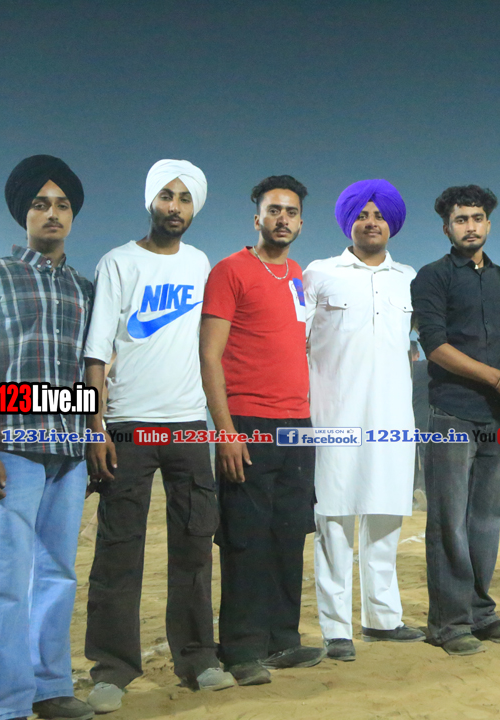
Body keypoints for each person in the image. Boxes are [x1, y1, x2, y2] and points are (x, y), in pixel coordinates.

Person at [83, 159, 234, 713]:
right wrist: (94, 427)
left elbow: (210, 347)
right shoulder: (117, 262)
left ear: (195, 208)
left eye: (185, 198)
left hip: (190, 426)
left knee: (194, 547)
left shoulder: (200, 263)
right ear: (151, 201)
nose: (175, 206)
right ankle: (112, 668)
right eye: (167, 196)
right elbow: (96, 353)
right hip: (127, 426)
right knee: (118, 551)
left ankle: (198, 658)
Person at [0, 155, 95, 720]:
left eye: (62, 205)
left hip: (68, 453)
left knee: (58, 574)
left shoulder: (84, 288)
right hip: (11, 447)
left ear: (72, 215)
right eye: (40, 204)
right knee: (7, 581)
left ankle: (50, 687)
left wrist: (92, 436)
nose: (52, 213)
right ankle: (5, 705)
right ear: (24, 214)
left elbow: (90, 372)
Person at [199, 175, 323, 686]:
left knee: (289, 535)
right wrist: (225, 431)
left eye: (291, 211)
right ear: (257, 218)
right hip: (248, 422)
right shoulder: (229, 271)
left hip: (298, 425)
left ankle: (281, 640)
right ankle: (242, 649)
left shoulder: (296, 275)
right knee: (246, 539)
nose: (282, 219)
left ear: (301, 222)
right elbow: (209, 355)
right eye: (274, 210)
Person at [410, 185, 500, 656]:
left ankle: (481, 613)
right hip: (450, 411)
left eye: (477, 218)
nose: (470, 226)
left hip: (498, 416)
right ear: (446, 227)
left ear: (488, 223)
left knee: (488, 518)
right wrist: (499, 379)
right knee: (450, 520)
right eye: (461, 219)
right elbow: (435, 347)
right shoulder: (431, 277)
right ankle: (449, 623)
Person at [304, 178, 425, 662]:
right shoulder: (319, 273)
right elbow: (295, 339)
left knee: (385, 516)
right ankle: (336, 629)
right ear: (347, 222)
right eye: (361, 214)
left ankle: (383, 618)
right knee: (333, 520)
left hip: (392, 416)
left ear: (391, 223)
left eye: (378, 215)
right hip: (333, 415)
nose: (370, 222)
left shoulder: (409, 278)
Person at [410, 341, 430, 511]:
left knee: (408, 459)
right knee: (426, 456)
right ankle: (425, 491)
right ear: (417, 355)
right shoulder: (424, 368)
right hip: (424, 421)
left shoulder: (401, 372)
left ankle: (408, 495)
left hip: (404, 422)